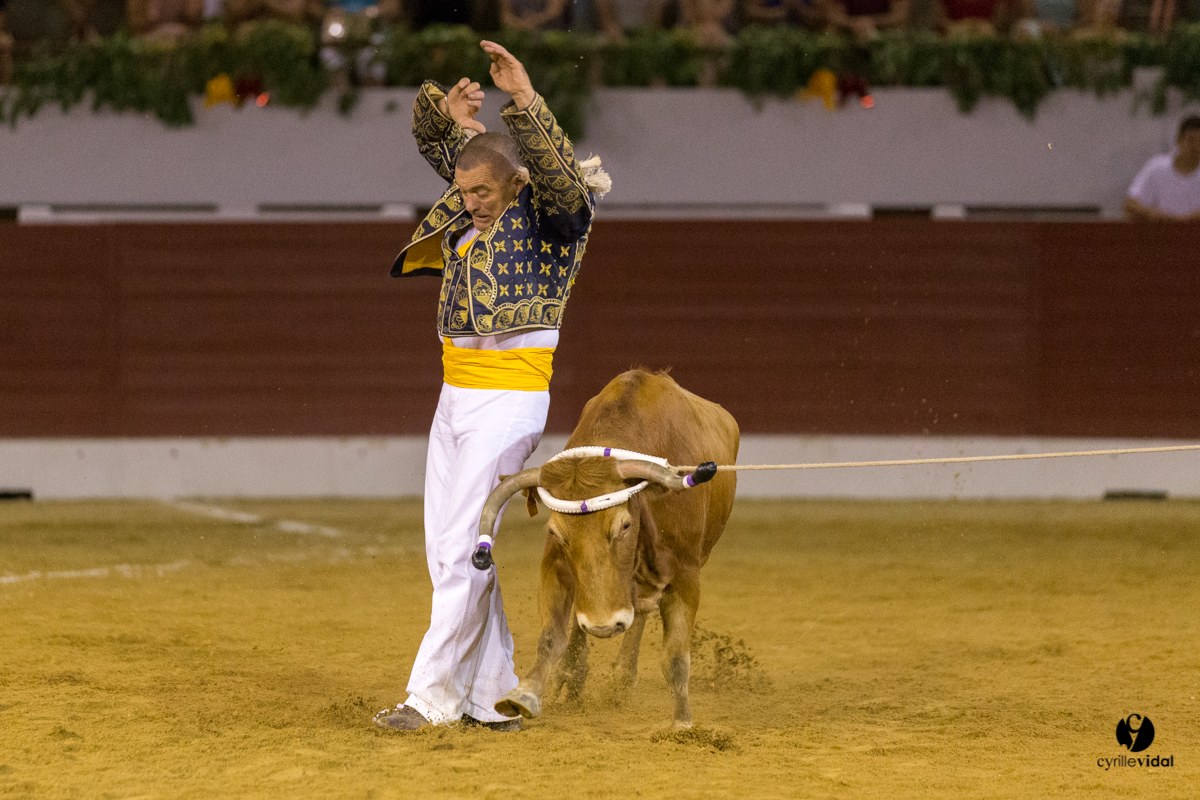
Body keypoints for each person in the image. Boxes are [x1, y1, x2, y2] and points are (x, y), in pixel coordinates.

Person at [372, 39, 609, 733]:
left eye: (482, 191)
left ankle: (429, 699)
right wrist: (448, 118)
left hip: (508, 402)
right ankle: (491, 693)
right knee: (452, 550)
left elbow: (562, 183)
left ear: (517, 183)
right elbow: (450, 149)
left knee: (459, 549)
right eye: (464, 190)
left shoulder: (551, 219)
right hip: (455, 398)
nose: (469, 201)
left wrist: (525, 98)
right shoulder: (475, 198)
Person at [1125, 116, 1200, 222]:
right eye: (1191, 141)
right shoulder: (1157, 167)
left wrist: (1186, 221)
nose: (1196, 147)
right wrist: (1149, 213)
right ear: (1179, 139)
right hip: (1161, 230)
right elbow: (1130, 205)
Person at [823, 0, 909, 38]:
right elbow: (832, 14)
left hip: (886, 36)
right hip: (848, 36)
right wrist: (854, 24)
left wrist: (872, 22)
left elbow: (900, 15)